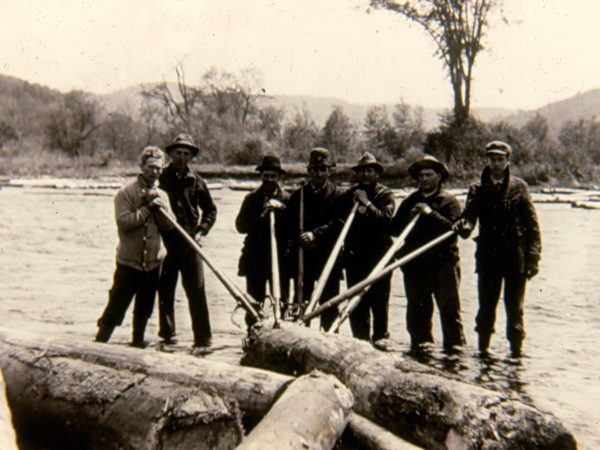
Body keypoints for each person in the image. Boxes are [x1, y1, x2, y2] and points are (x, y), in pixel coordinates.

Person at [454, 140, 541, 357]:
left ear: (507, 161)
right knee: (486, 307)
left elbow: (532, 226)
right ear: (487, 160)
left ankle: (516, 354)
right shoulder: (477, 188)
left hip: (515, 258)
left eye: (500, 159)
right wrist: (463, 226)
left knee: (515, 310)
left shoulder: (519, 187)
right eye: (492, 159)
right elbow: (469, 217)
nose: (495, 164)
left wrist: (533, 259)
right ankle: (484, 351)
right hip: (488, 257)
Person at [95, 146, 173, 347]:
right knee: (116, 306)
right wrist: (147, 208)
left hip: (153, 263)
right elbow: (124, 223)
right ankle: (100, 342)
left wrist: (160, 208)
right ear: (141, 166)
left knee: (144, 308)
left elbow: (169, 225)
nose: (154, 172)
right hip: (129, 262)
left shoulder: (162, 196)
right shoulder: (126, 193)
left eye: (158, 168)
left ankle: (137, 343)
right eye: (150, 167)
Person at [390, 155, 466, 353]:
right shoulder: (410, 201)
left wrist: (430, 213)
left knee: (449, 311)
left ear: (439, 176)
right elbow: (394, 230)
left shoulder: (450, 202)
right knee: (417, 313)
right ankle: (421, 353)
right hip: (416, 265)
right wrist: (409, 216)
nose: (424, 179)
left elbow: (453, 231)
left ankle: (454, 356)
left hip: (444, 265)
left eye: (429, 175)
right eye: (421, 175)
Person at [157, 133, 217, 348]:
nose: (182, 157)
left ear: (191, 156)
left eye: (186, 154)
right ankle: (167, 338)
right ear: (171, 154)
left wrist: (202, 231)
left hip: (191, 244)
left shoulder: (197, 181)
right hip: (167, 244)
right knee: (165, 293)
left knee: (197, 293)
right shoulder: (160, 179)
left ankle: (203, 340)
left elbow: (210, 210)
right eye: (178, 153)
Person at [284, 147, 344, 330]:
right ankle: (300, 336)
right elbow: (288, 225)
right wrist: (300, 237)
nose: (319, 173)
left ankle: (330, 338)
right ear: (309, 171)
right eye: (315, 169)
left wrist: (315, 234)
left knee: (329, 303)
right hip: (304, 257)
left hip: (328, 256)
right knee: (302, 300)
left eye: (323, 169)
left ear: (329, 171)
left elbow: (340, 223)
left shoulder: (339, 195)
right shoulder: (298, 195)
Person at [340, 152, 395, 343]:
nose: (365, 175)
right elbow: (338, 221)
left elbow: (387, 222)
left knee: (379, 306)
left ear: (377, 173)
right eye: (361, 171)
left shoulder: (385, 194)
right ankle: (360, 343)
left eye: (369, 170)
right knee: (356, 308)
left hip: (379, 260)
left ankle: (380, 343)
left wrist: (367, 203)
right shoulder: (349, 195)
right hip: (355, 260)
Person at [235, 153, 289, 330]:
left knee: (281, 302)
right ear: (261, 176)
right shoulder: (251, 199)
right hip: (255, 259)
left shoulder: (288, 199)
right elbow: (240, 226)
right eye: (266, 175)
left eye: (273, 176)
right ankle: (252, 335)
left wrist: (281, 210)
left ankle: (281, 332)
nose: (269, 179)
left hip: (280, 260)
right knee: (254, 304)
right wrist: (262, 215)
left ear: (279, 177)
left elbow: (294, 228)